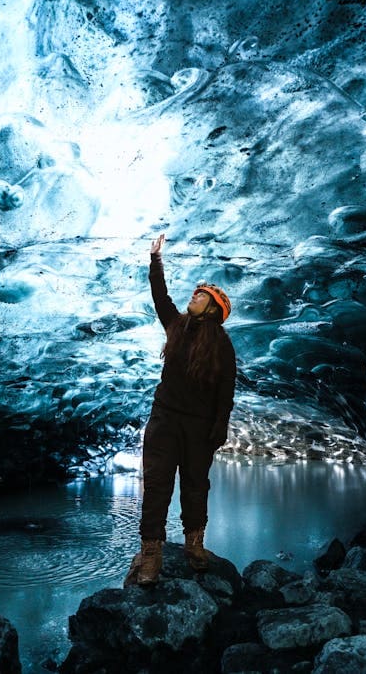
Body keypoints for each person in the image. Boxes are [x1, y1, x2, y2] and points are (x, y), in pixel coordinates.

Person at [131, 233, 237, 586]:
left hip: (198, 427)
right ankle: (151, 555)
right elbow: (160, 296)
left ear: (213, 309)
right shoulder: (175, 326)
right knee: (157, 484)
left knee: (195, 486)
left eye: (202, 296)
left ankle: (195, 545)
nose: (195, 295)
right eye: (196, 293)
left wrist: (219, 426)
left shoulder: (221, 343)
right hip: (164, 419)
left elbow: (226, 388)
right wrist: (155, 260)